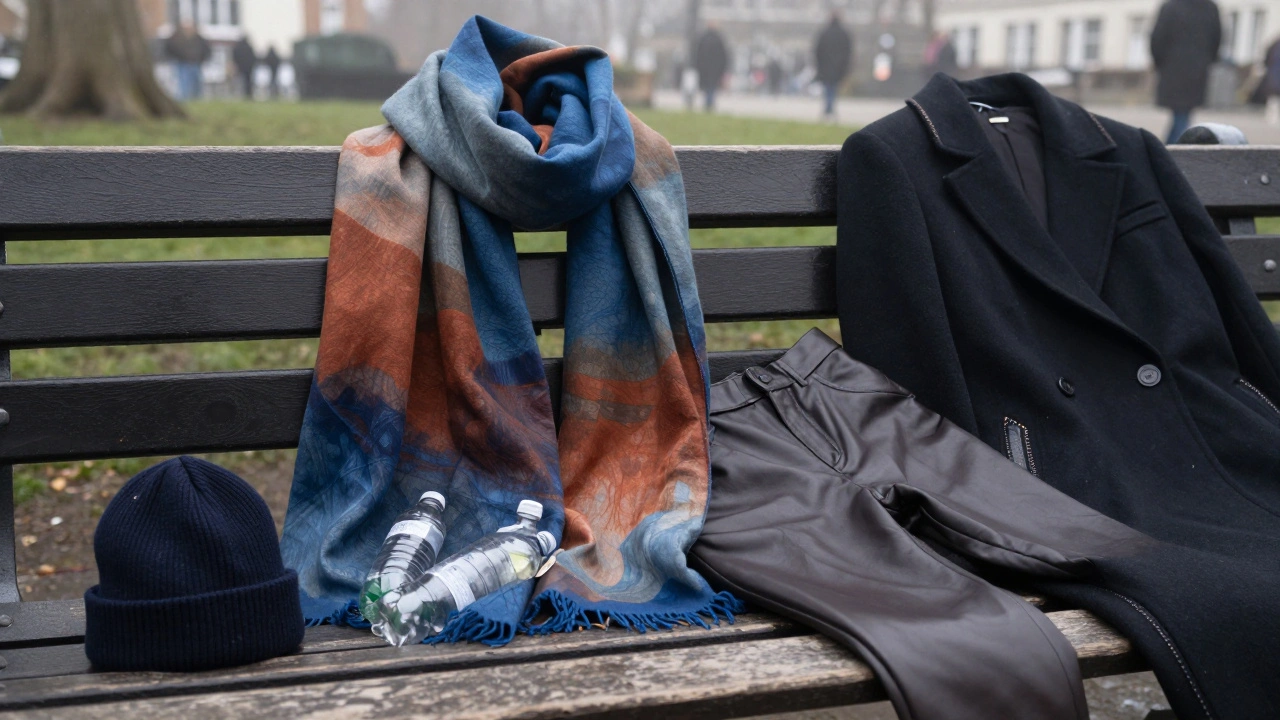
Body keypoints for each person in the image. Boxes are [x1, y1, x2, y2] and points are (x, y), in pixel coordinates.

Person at [1150, 0, 1221, 143]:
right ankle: (1171, 151)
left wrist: (1160, 63)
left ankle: (1170, 153)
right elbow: (1217, 38)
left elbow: (1157, 39)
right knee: (1182, 114)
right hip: (1198, 68)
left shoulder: (1170, 7)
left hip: (1172, 67)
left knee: (1181, 114)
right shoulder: (1210, 8)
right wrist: (1208, 60)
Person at [814, 11, 853, 120]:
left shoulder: (824, 33)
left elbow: (818, 50)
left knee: (827, 87)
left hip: (825, 66)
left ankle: (828, 107)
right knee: (833, 87)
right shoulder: (844, 34)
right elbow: (848, 51)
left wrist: (819, 64)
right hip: (838, 67)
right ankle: (830, 107)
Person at [165, 23, 212, 101]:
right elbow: (170, 49)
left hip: (196, 63)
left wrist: (202, 59)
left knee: (197, 83)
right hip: (182, 63)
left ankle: (197, 99)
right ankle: (184, 99)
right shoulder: (176, 39)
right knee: (183, 83)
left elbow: (206, 50)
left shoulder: (199, 39)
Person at [695, 23, 729, 112]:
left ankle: (708, 103)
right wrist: (722, 68)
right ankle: (709, 103)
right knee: (712, 86)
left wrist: (698, 66)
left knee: (707, 87)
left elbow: (698, 55)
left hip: (704, 68)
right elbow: (723, 56)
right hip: (715, 69)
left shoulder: (703, 38)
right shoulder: (719, 39)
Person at [1263, 36, 1280, 125]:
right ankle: (1272, 117)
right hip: (1275, 74)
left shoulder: (1274, 44)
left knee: (1273, 98)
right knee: (1274, 98)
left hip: (1273, 74)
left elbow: (1266, 59)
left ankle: (1271, 117)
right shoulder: (1275, 45)